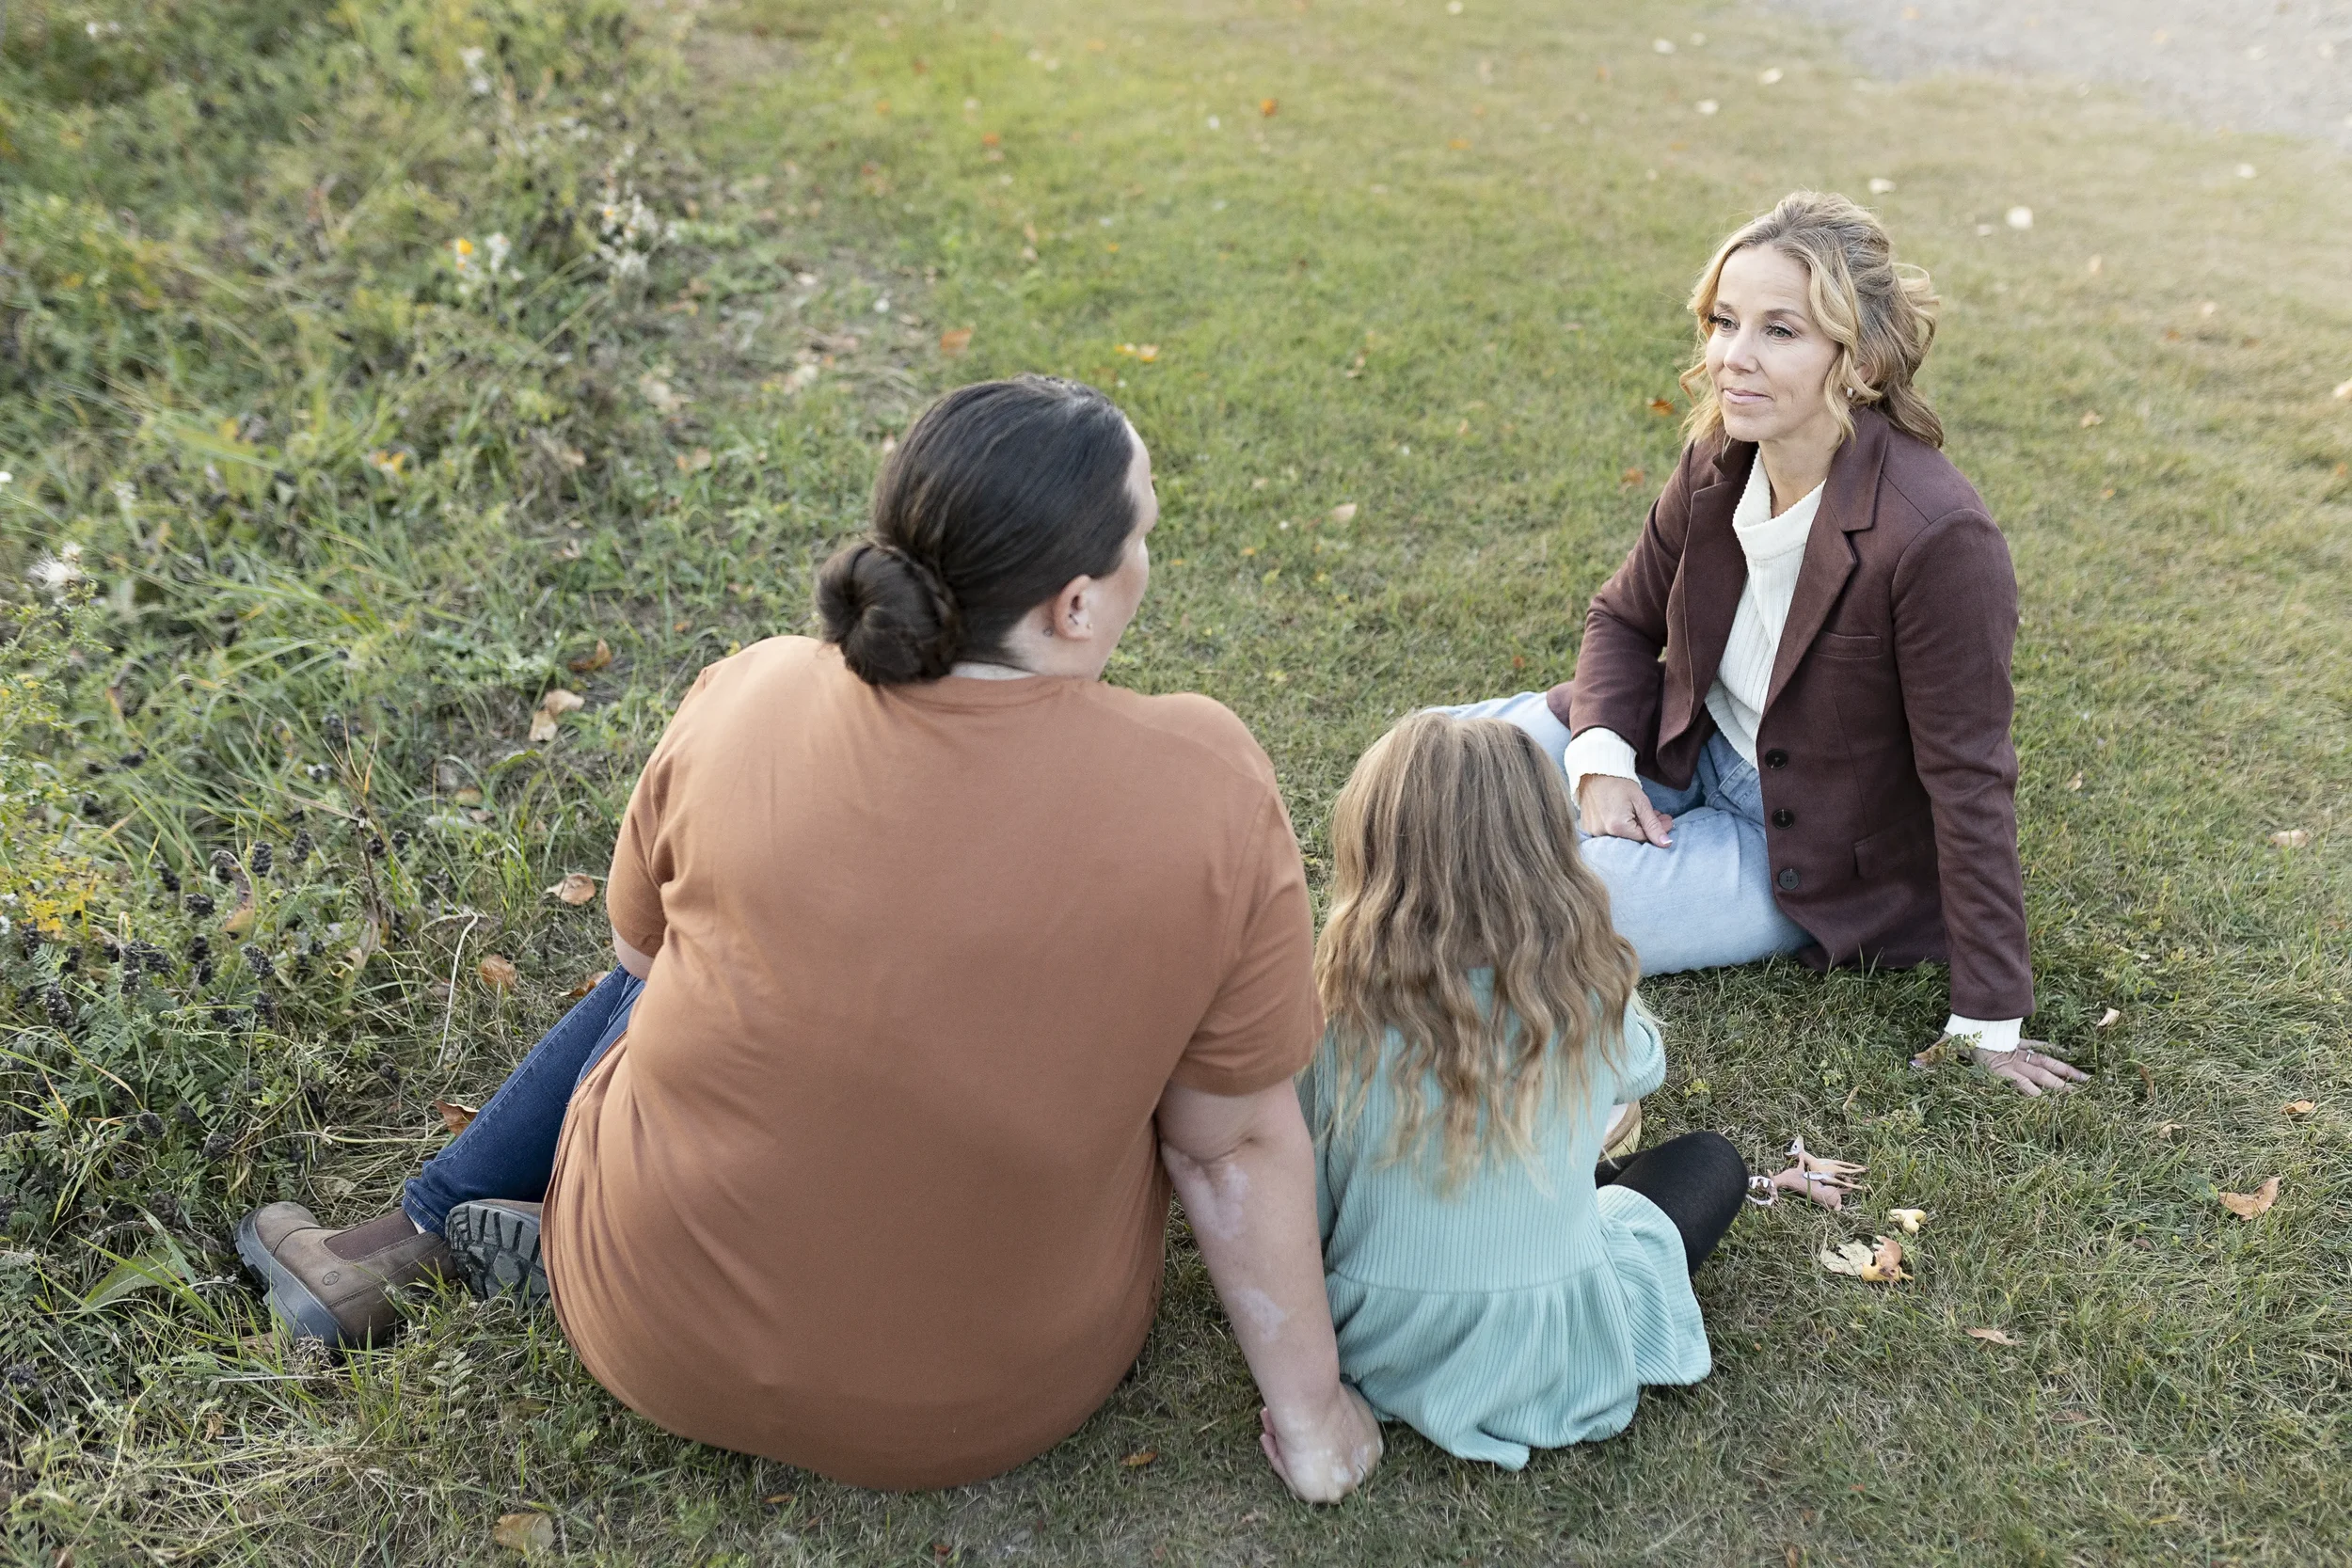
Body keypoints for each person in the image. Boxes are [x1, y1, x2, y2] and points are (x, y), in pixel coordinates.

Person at [236, 376, 1381, 1501]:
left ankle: (416, 1232)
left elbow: (640, 965)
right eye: (1144, 533)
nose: (1150, 557)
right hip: (985, 1407)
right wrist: (1314, 1417)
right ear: (1074, 604)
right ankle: (457, 1226)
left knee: (677, 972)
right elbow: (1225, 1148)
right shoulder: (1205, 782)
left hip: (643, 1332)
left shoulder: (750, 688)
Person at [1444, 192, 2086, 1096]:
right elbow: (1623, 619)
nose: (1731, 359)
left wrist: (1988, 1019)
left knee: (1537, 911)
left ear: (1858, 357)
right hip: (1686, 742)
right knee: (1432, 760)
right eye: (1724, 321)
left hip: (1802, 842)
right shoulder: (1721, 456)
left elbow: (1969, 776)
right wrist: (1600, 762)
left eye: (1779, 331)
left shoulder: (1938, 538)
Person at [1300, 713, 1746, 1468]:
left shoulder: (1329, 1012)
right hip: (1555, 1343)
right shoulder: (1584, 989)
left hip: (1377, 1336)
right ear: (1546, 850)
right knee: (1709, 1159)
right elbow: (1642, 1074)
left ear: (1371, 851)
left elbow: (1306, 1202)